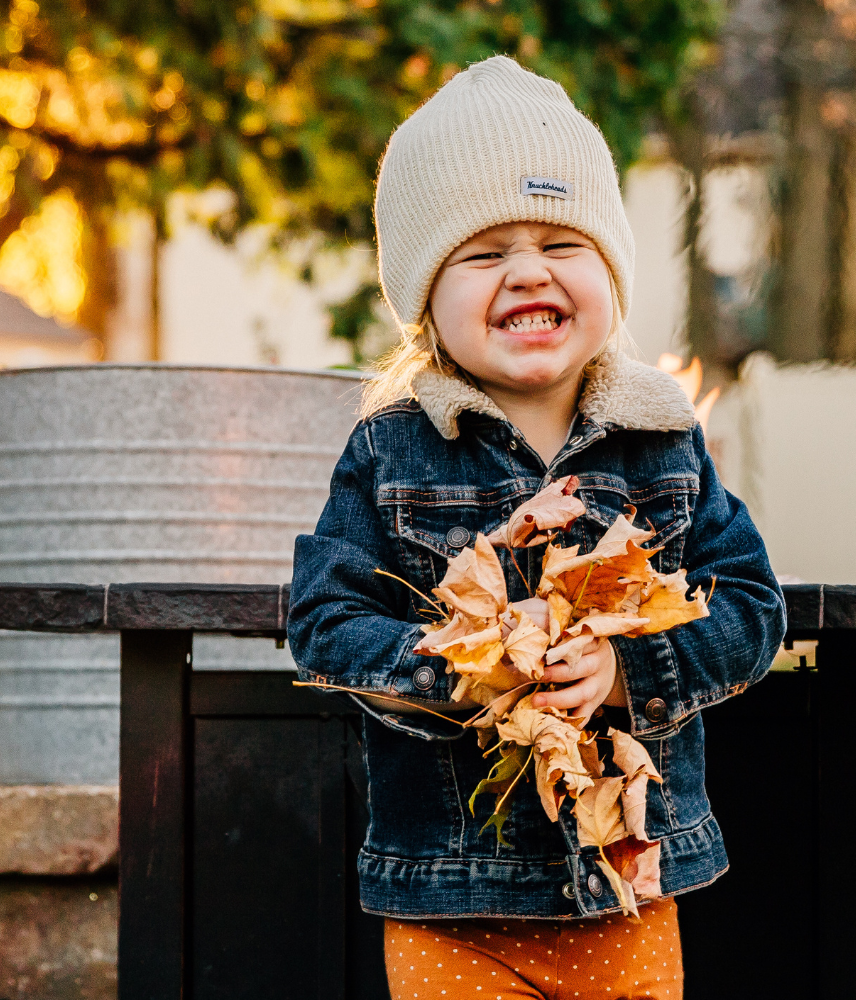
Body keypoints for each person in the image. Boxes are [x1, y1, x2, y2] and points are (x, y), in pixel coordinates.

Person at [288, 55, 785, 1000]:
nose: (527, 270)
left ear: (609, 274)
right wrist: (469, 666)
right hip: (452, 904)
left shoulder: (664, 445)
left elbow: (751, 605)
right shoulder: (391, 451)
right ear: (426, 300)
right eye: (482, 255)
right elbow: (324, 623)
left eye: (562, 242)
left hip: (627, 886)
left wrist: (626, 674)